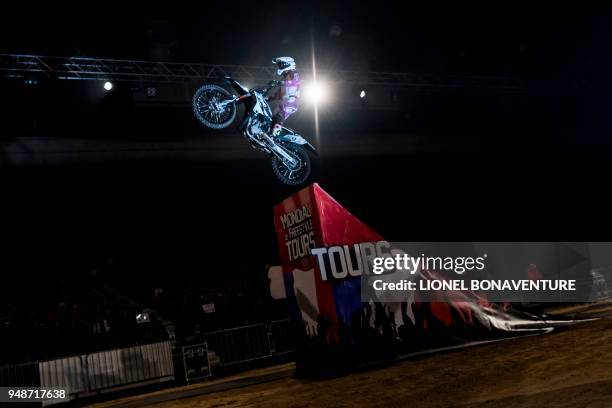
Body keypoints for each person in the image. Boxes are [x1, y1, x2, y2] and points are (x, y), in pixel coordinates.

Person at [268, 57, 301, 137]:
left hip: (292, 101)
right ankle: (270, 133)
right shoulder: (285, 79)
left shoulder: (294, 73)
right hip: (284, 102)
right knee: (272, 116)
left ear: (288, 64)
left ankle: (275, 134)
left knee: (280, 115)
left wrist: (280, 82)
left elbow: (295, 83)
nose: (280, 67)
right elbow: (279, 93)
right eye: (279, 65)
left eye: (282, 64)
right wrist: (269, 98)